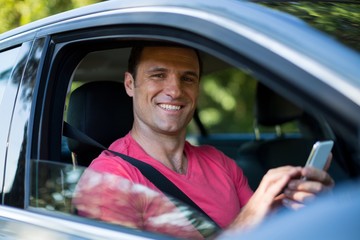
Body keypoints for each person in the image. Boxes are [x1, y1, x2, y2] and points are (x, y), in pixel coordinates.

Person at [73, 44, 334, 239]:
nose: (175, 90)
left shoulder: (220, 161)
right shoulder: (109, 179)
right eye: (158, 75)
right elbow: (247, 222)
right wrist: (247, 219)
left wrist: (302, 208)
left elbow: (261, 232)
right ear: (130, 84)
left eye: (187, 78)